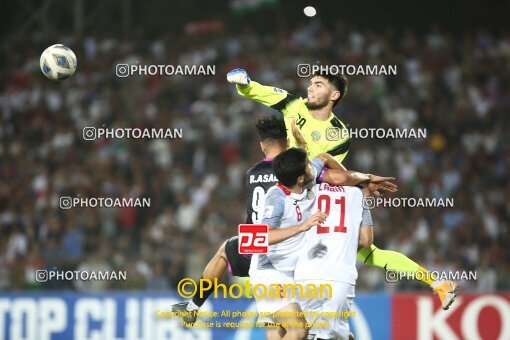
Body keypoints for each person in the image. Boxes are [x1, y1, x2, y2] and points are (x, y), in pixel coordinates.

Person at [227, 68, 458, 310]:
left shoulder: (339, 134)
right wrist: (244, 84)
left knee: (364, 247)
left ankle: (436, 282)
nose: (310, 88)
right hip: (317, 189)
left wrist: (358, 180)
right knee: (363, 249)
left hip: (323, 194)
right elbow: (261, 92)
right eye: (311, 83)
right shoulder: (294, 106)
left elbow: (327, 168)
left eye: (318, 85)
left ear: (334, 95)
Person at [171, 117, 396, 325]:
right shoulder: (297, 169)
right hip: (290, 255)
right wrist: (364, 180)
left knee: (225, 250)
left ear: (262, 146)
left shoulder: (252, 172)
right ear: (287, 142)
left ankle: (193, 306)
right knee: (299, 327)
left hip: (257, 249)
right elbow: (340, 178)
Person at [293, 182, 373, 340]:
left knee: (306, 333)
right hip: (339, 276)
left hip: (306, 273)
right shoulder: (358, 194)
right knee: (333, 334)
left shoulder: (307, 190)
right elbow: (366, 240)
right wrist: (344, 245)